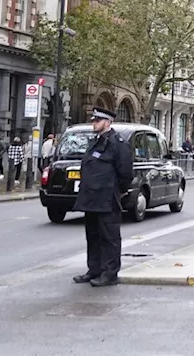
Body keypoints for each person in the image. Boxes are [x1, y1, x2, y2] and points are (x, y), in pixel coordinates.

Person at [72, 108, 133, 287]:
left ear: (107, 122)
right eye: (94, 120)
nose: (94, 123)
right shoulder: (95, 142)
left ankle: (110, 273)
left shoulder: (118, 143)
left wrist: (119, 191)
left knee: (109, 237)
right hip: (91, 198)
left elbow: (126, 172)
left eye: (98, 121)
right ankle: (95, 269)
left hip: (107, 198)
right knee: (93, 236)